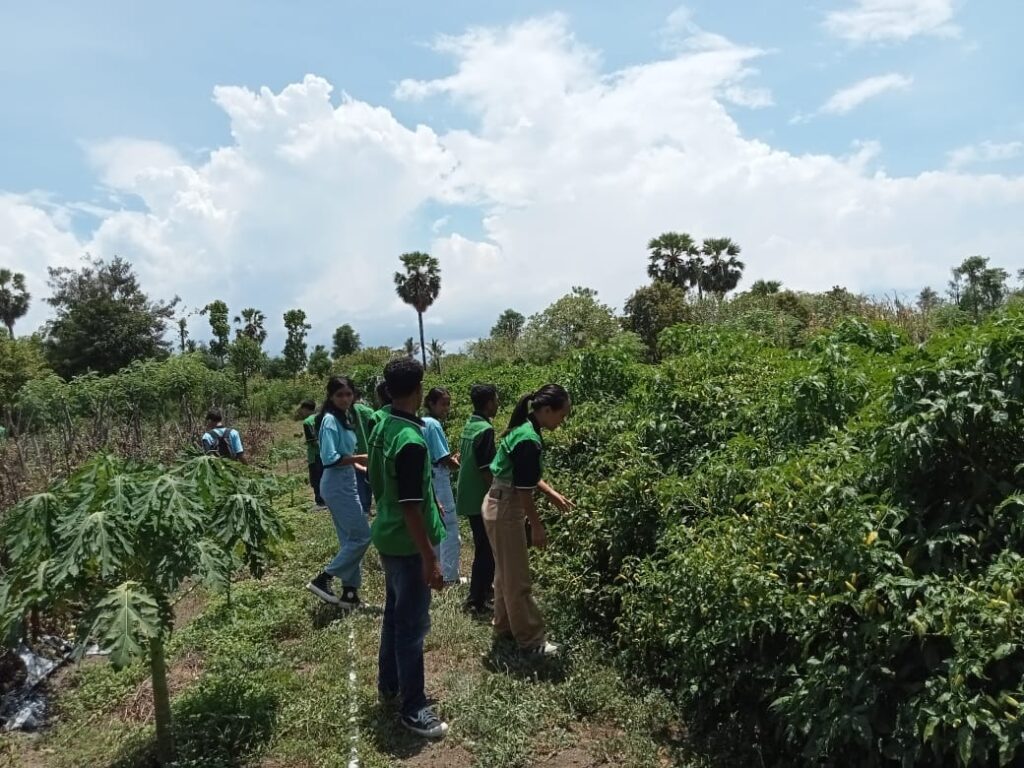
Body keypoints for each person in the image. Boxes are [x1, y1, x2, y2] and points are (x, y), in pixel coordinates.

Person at [368, 358, 449, 739]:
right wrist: (430, 558)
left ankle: (389, 683)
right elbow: (409, 505)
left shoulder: (384, 422)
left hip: (387, 533)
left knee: (394, 614)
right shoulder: (412, 440)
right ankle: (413, 706)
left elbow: (385, 482)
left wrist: (432, 500)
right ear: (419, 391)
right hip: (407, 542)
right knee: (412, 626)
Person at [485, 384, 575, 657]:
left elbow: (527, 477)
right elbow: (523, 491)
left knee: (505, 576)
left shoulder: (525, 430)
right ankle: (532, 641)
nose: (563, 420)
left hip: (496, 503)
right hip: (506, 508)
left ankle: (504, 628)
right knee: (518, 581)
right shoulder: (529, 440)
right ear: (546, 410)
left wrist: (552, 494)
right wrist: (536, 526)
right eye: (563, 414)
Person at [306, 377, 370, 609]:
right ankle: (323, 578)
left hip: (346, 481)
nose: (345, 399)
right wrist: (358, 458)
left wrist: (359, 465)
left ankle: (349, 593)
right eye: (339, 395)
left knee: (350, 539)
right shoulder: (330, 420)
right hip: (336, 485)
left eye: (348, 394)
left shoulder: (345, 417)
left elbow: (343, 456)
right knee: (363, 536)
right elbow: (329, 458)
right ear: (331, 397)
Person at [456, 384, 499, 615]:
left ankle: (483, 591)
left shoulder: (471, 424)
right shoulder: (484, 429)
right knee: (486, 550)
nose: (498, 404)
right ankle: (476, 599)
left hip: (467, 495)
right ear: (488, 402)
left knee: (484, 547)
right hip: (479, 497)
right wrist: (497, 496)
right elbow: (485, 469)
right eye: (496, 399)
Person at [422, 387, 463, 586]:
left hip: (429, 477)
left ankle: (434, 574)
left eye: (448, 403)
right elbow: (443, 458)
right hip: (438, 478)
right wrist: (456, 463)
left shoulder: (421, 422)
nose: (446, 408)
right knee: (450, 528)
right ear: (431, 403)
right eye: (443, 404)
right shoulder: (433, 424)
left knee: (436, 528)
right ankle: (449, 576)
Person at [351, 391, 376, 515]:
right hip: (371, 452)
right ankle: (370, 506)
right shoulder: (369, 411)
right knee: (371, 479)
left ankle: (364, 508)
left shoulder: (348, 412)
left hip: (356, 454)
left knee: (359, 481)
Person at [299, 400, 325, 507]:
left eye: (302, 410)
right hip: (326, 452)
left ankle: (320, 502)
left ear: (305, 409)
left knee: (316, 478)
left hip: (315, 455)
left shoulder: (307, 422)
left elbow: (312, 440)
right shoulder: (322, 418)